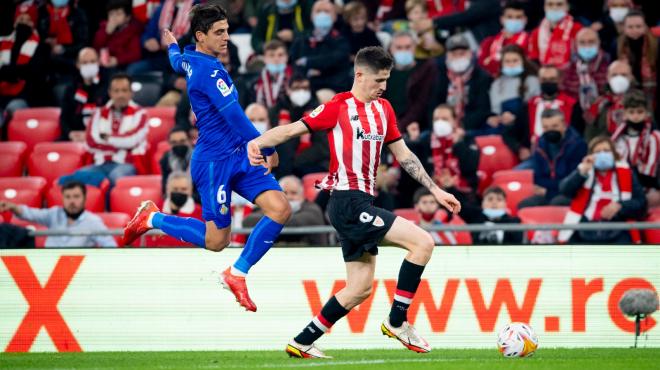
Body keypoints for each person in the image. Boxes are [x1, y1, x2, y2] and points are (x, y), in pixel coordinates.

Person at [246, 46, 461, 358]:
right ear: (359, 75)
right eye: (378, 80)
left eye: (386, 80)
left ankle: (303, 340)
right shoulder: (338, 106)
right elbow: (292, 130)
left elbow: (405, 156)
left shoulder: (384, 109)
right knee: (423, 243)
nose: (383, 86)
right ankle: (397, 321)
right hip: (348, 203)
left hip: (361, 203)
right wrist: (257, 142)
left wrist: (436, 190)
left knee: (359, 288)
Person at [122, 4, 291, 313]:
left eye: (226, 30)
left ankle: (236, 274)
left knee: (280, 209)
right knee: (217, 241)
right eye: (219, 33)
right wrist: (269, 147)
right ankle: (151, 218)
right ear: (201, 36)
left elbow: (176, 61)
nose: (227, 38)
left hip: (238, 154)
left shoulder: (192, 60)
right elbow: (238, 119)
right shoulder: (209, 72)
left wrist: (173, 45)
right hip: (214, 164)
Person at [59, 72, 148, 187]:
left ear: (131, 93)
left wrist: (106, 138)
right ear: (110, 93)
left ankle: (109, 204)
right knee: (70, 180)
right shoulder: (98, 113)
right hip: (99, 164)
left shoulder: (140, 114)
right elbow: (91, 141)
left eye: (124, 90)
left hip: (126, 163)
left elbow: (132, 140)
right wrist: (121, 142)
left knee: (116, 178)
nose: (120, 95)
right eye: (116, 91)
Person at [558, 136, 646, 244]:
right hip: (586, 228)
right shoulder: (584, 171)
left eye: (606, 151)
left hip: (617, 227)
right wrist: (581, 172)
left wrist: (621, 206)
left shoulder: (627, 173)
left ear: (614, 154)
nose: (602, 154)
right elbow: (564, 191)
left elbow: (641, 203)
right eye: (598, 152)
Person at [0, 181, 117, 248]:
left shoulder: (93, 221)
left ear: (84, 198)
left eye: (76, 197)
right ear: (63, 199)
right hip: (48, 264)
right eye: (68, 197)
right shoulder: (54, 213)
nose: (72, 201)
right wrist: (13, 207)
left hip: (76, 268)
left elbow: (110, 245)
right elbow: (30, 214)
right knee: (6, 230)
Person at [518, 108, 587, 209]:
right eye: (546, 127)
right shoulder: (540, 145)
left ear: (564, 125)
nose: (550, 130)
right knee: (525, 205)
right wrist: (550, 188)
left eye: (555, 126)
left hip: (570, 194)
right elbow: (537, 179)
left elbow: (571, 182)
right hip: (546, 192)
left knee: (557, 202)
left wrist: (549, 191)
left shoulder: (578, 145)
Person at [488, 44, 539, 160]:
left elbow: (532, 108)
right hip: (503, 124)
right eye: (507, 61)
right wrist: (496, 118)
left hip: (524, 125)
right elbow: (495, 111)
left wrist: (515, 118)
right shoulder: (497, 84)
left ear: (523, 61)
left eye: (515, 61)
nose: (511, 64)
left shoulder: (532, 81)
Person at [434, 34, 492, 134]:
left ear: (470, 54)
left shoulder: (482, 77)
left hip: (471, 128)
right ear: (447, 56)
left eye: (462, 54)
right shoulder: (440, 75)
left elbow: (482, 109)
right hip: (442, 126)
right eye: (454, 54)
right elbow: (433, 105)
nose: (458, 57)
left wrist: (460, 126)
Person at [243, 175, 327, 245]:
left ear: (303, 195)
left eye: (293, 193)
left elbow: (298, 222)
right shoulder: (268, 207)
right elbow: (249, 221)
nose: (289, 197)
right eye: (284, 193)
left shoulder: (313, 209)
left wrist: (272, 220)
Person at [611, 89, 660, 207]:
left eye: (640, 112)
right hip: (621, 182)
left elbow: (651, 171)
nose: (636, 116)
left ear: (646, 113)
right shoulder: (618, 136)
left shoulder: (654, 136)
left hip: (648, 184)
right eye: (631, 112)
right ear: (625, 113)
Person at [289, 0, 351, 92]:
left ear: (334, 16)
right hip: (305, 87)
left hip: (332, 87)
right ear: (311, 16)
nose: (322, 14)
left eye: (326, 11)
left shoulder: (341, 39)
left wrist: (307, 61)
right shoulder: (302, 38)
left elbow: (335, 60)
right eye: (318, 11)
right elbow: (294, 61)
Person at [383, 31, 438, 133]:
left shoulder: (426, 69)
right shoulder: (383, 72)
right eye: (399, 48)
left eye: (408, 47)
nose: (403, 51)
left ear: (414, 48)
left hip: (415, 127)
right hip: (387, 125)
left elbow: (421, 104)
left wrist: (399, 127)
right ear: (391, 49)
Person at [60, 47, 109, 142]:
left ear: (99, 62)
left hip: (101, 136)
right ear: (78, 65)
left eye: (92, 61)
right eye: (85, 63)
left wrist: (91, 135)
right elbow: (64, 118)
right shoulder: (71, 89)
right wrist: (70, 134)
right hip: (76, 136)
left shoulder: (108, 86)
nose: (89, 65)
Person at [616, 10, 658, 116]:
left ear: (645, 27)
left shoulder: (656, 44)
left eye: (638, 26)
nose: (634, 30)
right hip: (629, 90)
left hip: (653, 90)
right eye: (630, 27)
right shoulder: (617, 45)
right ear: (624, 28)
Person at [561, 28, 610, 112]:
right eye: (582, 42)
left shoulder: (608, 64)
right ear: (576, 45)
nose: (587, 46)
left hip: (603, 109)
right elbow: (564, 93)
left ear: (598, 42)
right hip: (576, 110)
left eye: (591, 42)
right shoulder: (568, 68)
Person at [478, 0, 530, 77]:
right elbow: (481, 68)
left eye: (518, 17)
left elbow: (528, 66)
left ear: (525, 20)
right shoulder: (489, 43)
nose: (514, 20)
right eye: (510, 17)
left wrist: (492, 62)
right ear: (502, 20)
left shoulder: (530, 40)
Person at [584, 60, 634, 141]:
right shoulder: (599, 104)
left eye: (624, 75)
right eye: (614, 75)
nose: (619, 78)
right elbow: (590, 134)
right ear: (607, 77)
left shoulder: (640, 100)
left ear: (631, 77)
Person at [527, 65, 577, 144]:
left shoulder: (572, 104)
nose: (548, 82)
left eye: (552, 79)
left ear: (559, 80)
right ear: (539, 80)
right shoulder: (529, 104)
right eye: (544, 79)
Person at [528, 0, 582, 69]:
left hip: (571, 74)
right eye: (550, 4)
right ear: (544, 7)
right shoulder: (536, 33)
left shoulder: (577, 29)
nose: (554, 7)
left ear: (567, 7)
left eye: (559, 4)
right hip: (545, 75)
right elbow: (534, 58)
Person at [92, 0, 143, 70]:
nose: (114, 17)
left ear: (127, 17)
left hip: (123, 64)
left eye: (118, 14)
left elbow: (135, 54)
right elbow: (96, 47)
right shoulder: (103, 28)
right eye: (111, 14)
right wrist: (106, 33)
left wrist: (117, 60)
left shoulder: (133, 31)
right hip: (104, 64)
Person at [255, 40, 292, 109]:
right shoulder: (255, 80)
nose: (276, 59)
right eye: (271, 55)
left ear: (287, 57)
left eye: (280, 55)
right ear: (265, 58)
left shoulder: (294, 77)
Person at [159, 126, 194, 194]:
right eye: (174, 142)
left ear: (190, 141)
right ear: (169, 143)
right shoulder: (166, 159)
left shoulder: (200, 158)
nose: (179, 145)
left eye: (182, 141)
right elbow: (165, 189)